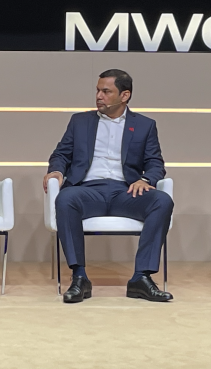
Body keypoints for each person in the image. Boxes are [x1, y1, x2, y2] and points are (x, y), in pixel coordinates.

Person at [44, 69, 174, 304]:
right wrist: (56, 171)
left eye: (106, 91)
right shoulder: (80, 121)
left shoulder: (144, 125)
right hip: (87, 190)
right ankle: (79, 277)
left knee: (162, 201)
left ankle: (141, 277)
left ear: (124, 95)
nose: (99, 96)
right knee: (65, 198)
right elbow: (61, 154)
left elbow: (155, 163)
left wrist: (145, 180)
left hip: (126, 191)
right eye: (97, 90)